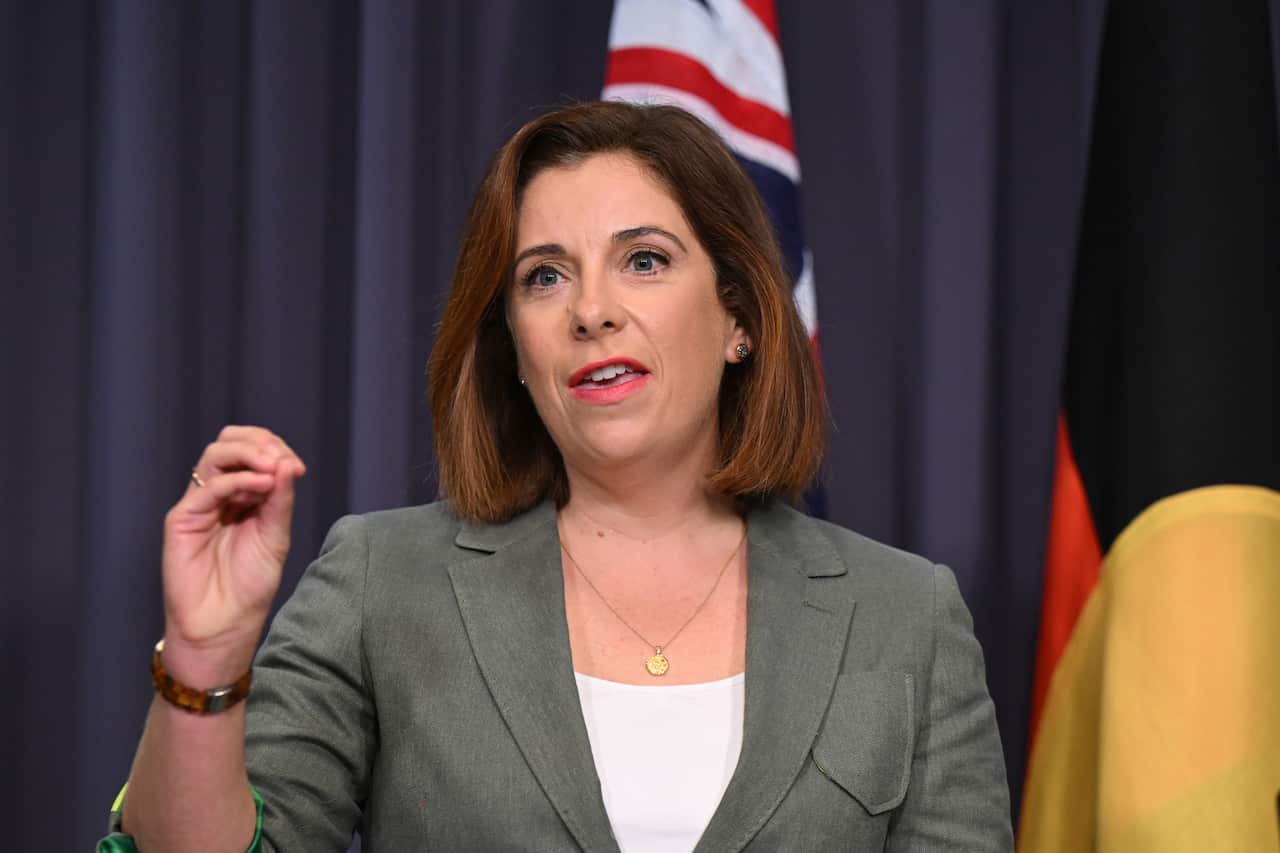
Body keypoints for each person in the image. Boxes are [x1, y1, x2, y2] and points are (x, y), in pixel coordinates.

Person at [101, 101, 1013, 852]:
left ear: (739, 318)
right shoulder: (382, 580)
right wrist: (204, 662)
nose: (590, 311)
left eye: (644, 261)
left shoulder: (908, 619)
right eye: (544, 277)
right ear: (516, 350)